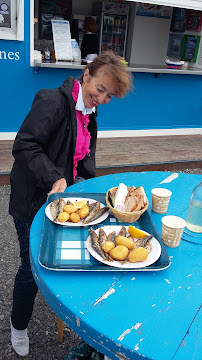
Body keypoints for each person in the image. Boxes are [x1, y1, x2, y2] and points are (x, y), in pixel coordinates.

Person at [9, 51, 132, 357]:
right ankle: (18, 325)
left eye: (109, 96)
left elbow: (84, 154)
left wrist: (88, 185)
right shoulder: (51, 100)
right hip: (33, 200)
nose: (102, 99)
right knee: (31, 267)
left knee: (76, 259)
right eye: (100, 90)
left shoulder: (90, 111)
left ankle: (75, 317)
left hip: (64, 201)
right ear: (86, 74)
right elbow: (24, 145)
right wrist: (54, 176)